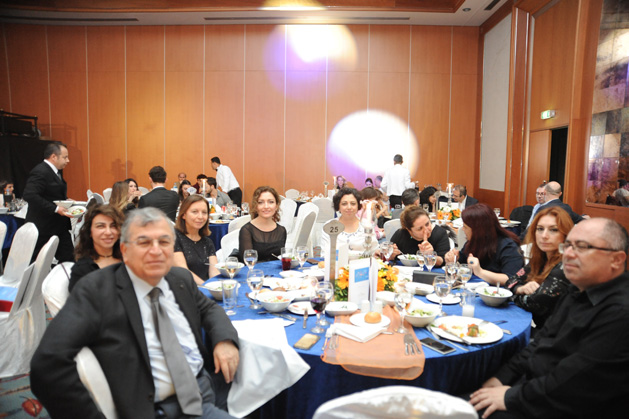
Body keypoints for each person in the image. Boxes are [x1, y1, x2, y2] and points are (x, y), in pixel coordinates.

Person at [30, 208, 239, 418]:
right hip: (159, 407)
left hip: (206, 384)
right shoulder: (98, 289)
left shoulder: (179, 278)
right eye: (144, 242)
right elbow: (47, 364)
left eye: (164, 242)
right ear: (125, 249)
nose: (156, 251)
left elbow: (209, 308)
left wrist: (224, 340)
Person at [469, 218, 629, 419]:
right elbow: (542, 341)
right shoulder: (578, 290)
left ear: (616, 259)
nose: (568, 254)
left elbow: (574, 383)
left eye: (581, 247)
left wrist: (510, 397)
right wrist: (502, 378)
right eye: (567, 246)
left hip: (562, 405)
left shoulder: (620, 313)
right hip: (537, 387)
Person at [505, 206, 573, 330]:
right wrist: (520, 288)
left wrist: (510, 294)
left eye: (553, 230)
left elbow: (534, 303)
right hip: (543, 331)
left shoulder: (566, 266)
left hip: (558, 337)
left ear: (566, 235)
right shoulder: (540, 260)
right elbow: (510, 282)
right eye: (540, 229)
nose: (544, 236)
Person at [445, 204, 523, 285]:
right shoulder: (473, 241)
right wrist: (454, 258)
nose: (463, 229)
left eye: (465, 227)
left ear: (478, 230)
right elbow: (463, 259)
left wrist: (480, 272)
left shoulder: (508, 246)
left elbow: (511, 278)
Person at [23, 141, 74, 262]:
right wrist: (55, 209)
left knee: (69, 259)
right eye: (65, 157)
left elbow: (50, 193)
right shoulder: (41, 171)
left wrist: (65, 200)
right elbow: (30, 195)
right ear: (54, 157)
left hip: (58, 226)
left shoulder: (54, 171)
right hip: (44, 226)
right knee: (36, 263)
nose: (68, 161)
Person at [69, 204, 124, 291]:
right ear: (89, 232)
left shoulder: (128, 259)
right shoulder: (82, 270)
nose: (108, 232)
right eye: (100, 226)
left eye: (113, 226)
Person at [174, 195, 220, 284]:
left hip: (205, 288)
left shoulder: (207, 242)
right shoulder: (174, 237)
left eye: (204, 212)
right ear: (183, 215)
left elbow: (214, 271)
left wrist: (218, 286)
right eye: (194, 212)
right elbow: (184, 272)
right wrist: (206, 287)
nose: (200, 217)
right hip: (184, 289)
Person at [236, 186, 286, 262]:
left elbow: (281, 259)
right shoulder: (246, 230)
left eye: (271, 202)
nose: (266, 206)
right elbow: (247, 262)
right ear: (256, 206)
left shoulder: (282, 231)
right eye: (261, 202)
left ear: (276, 206)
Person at [321, 188, 377, 253]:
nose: (349, 207)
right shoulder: (329, 226)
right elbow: (325, 253)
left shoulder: (366, 224)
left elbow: (374, 250)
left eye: (353, 204)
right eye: (344, 204)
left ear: (358, 206)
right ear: (338, 206)